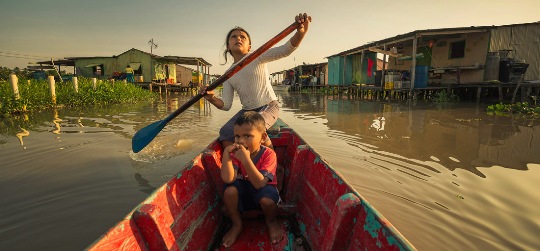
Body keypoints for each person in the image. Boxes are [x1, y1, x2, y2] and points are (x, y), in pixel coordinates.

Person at [201, 13, 312, 151]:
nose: (238, 38)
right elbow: (226, 105)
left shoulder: (257, 56)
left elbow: (285, 50)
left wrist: (301, 32)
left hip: (268, 106)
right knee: (225, 132)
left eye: (243, 37)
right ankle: (236, 164)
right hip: (247, 111)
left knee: (253, 126)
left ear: (249, 46)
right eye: (234, 37)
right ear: (228, 46)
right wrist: (211, 98)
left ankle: (273, 164)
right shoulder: (228, 74)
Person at [220, 111, 281, 247]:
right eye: (237, 136)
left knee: (268, 202)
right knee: (229, 191)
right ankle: (237, 224)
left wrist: (246, 160)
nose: (241, 141)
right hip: (243, 191)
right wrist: (226, 155)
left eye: (247, 136)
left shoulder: (269, 154)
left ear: (262, 137)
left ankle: (271, 222)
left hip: (263, 189)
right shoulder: (236, 154)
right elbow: (228, 179)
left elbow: (260, 184)